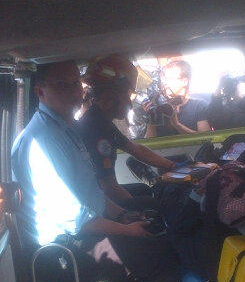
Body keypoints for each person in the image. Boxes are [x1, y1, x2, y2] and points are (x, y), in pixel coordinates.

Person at [11, 60, 180, 282]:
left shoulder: (64, 129)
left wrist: (123, 215)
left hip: (78, 232)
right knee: (160, 254)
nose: (73, 92)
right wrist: (127, 230)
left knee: (149, 229)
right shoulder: (43, 140)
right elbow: (75, 219)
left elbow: (92, 191)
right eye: (62, 85)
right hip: (61, 250)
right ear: (40, 92)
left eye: (75, 83)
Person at [76, 55, 177, 206]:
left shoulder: (99, 121)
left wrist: (172, 166)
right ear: (112, 95)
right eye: (128, 94)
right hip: (95, 203)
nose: (130, 102)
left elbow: (135, 149)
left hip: (97, 195)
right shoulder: (96, 130)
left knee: (144, 190)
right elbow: (109, 188)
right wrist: (136, 212)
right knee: (161, 204)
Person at [145, 60, 210, 137]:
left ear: (185, 82)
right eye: (165, 79)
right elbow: (150, 141)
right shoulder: (158, 107)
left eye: (170, 78)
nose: (165, 83)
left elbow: (205, 137)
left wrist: (177, 125)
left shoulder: (199, 106)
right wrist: (150, 119)